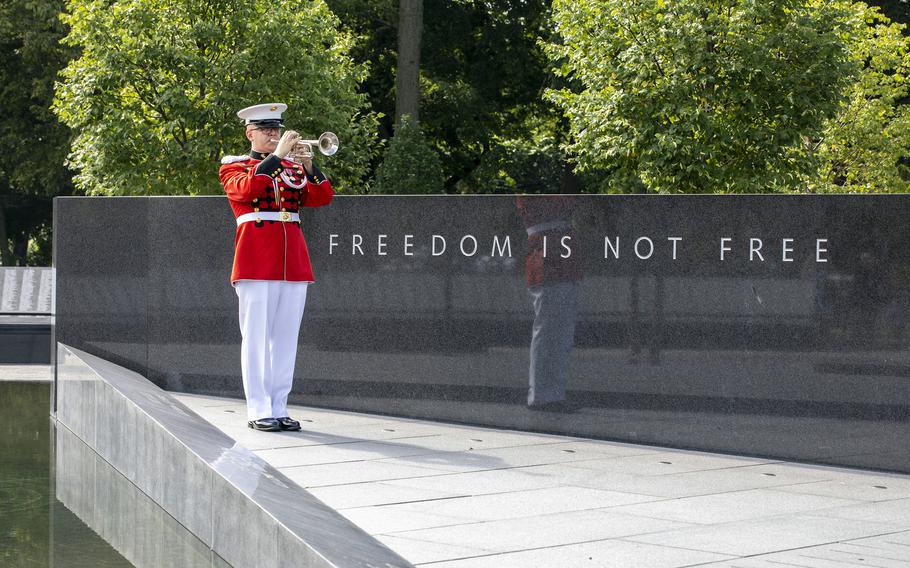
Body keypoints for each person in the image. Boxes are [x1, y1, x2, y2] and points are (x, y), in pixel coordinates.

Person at [219, 103, 334, 431]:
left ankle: (279, 406)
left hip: (293, 261)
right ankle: (258, 409)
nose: (273, 134)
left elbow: (322, 196)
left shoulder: (292, 168)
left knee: (286, 339)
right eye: (266, 130)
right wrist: (278, 156)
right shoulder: (234, 166)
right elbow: (249, 189)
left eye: (276, 129)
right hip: (256, 257)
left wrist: (310, 165)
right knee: (255, 337)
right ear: (249, 133)